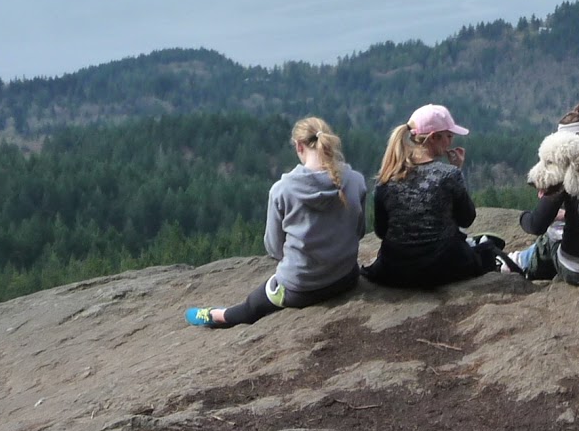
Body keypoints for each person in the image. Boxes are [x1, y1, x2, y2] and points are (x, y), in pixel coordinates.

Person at [185, 116, 366, 327]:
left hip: (300, 289)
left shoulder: (282, 190)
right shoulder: (355, 180)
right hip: (346, 278)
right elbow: (359, 231)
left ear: (299, 146)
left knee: (250, 307)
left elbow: (274, 247)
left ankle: (214, 316)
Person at [361, 104, 487, 287]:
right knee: (485, 252)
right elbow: (466, 219)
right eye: (448, 136)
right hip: (444, 266)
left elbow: (382, 231)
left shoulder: (386, 179)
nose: (450, 142)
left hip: (396, 270)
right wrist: (457, 171)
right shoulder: (449, 175)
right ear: (434, 137)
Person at [509, 104, 579, 286]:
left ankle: (519, 262)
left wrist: (522, 217)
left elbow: (536, 225)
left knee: (551, 236)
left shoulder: (564, 177)